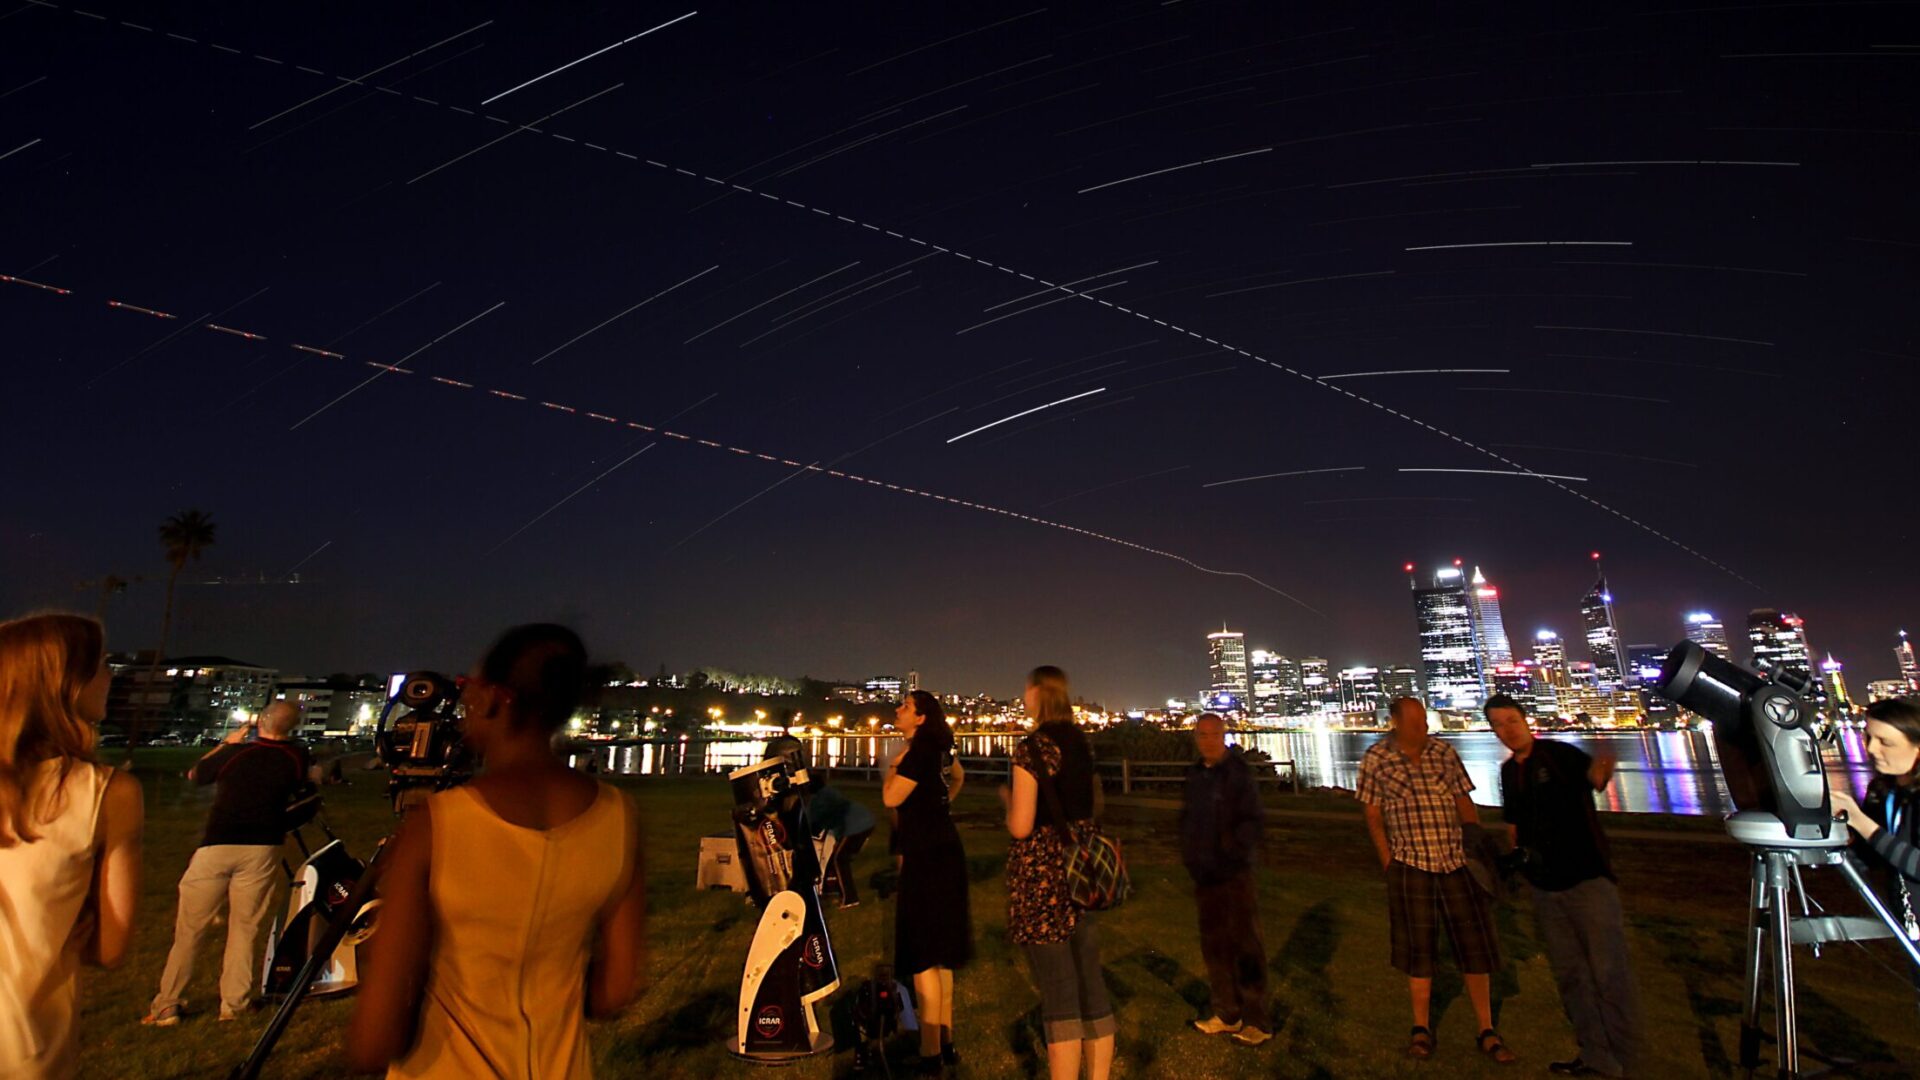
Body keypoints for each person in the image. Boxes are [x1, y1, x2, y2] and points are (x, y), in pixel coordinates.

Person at [346, 624, 646, 1078]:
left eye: (468, 687)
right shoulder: (620, 817)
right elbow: (616, 990)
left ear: (489, 699)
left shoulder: (437, 824)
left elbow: (377, 1035)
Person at [0, 613, 144, 1080]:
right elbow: (110, 947)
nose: (110, 674)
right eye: (100, 663)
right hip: (25, 1047)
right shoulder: (107, 793)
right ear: (64, 681)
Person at [1486, 694, 1641, 1078]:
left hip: (1588, 881)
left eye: (1511, 721)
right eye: (1498, 725)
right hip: (1545, 888)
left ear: (1525, 720)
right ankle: (1595, 1056)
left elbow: (1596, 778)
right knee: (1571, 976)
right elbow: (1514, 825)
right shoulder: (1508, 773)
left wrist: (1605, 760)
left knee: (1610, 974)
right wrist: (1518, 861)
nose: (1506, 730)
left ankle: (1630, 1062)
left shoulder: (1558, 754)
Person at [1356, 697, 1515, 1064]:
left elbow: (1463, 802)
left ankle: (1487, 1029)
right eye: (1413, 722)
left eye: (1423, 720)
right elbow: (1373, 814)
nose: (1421, 727)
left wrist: (1473, 843)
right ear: (1394, 721)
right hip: (1410, 865)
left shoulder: (1444, 752)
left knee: (1474, 947)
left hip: (1455, 862)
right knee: (1418, 951)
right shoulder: (1376, 759)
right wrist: (1388, 862)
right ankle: (1421, 1028)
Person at [145, 699, 312, 1026]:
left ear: (260, 721)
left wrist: (227, 743)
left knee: (190, 930)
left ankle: (168, 1004)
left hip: (217, 845)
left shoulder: (234, 754)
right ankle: (233, 1005)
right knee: (245, 929)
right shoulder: (296, 758)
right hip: (263, 848)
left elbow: (196, 775)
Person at [1002, 665, 1115, 1080]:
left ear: (1037, 693)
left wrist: (1008, 802)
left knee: (1059, 991)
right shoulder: (1080, 743)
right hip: (1082, 872)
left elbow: (1021, 825)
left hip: (1044, 877)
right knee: (1090, 980)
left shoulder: (1033, 747)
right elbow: (1091, 803)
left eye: (1026, 688)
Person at [882, 689, 974, 1075]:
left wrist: (893, 767)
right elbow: (959, 777)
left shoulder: (917, 753)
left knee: (922, 954)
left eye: (905, 707)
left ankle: (929, 1053)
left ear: (920, 718)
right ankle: (946, 1042)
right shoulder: (939, 749)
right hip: (945, 849)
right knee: (940, 953)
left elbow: (890, 798)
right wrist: (942, 802)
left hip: (925, 855)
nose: (898, 710)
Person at [1180, 712, 1270, 1046]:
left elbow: (1252, 820)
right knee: (1214, 946)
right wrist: (1191, 856)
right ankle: (1227, 1013)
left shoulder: (1237, 773)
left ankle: (1257, 1020)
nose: (1207, 741)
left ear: (1223, 736)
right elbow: (1189, 818)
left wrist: (1233, 852)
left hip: (1234, 874)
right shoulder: (1196, 774)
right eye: (1201, 735)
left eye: (1212, 735)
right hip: (1205, 874)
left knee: (1245, 945)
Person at [1829, 697, 1920, 979]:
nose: (1870, 749)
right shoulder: (1883, 791)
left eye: (1886, 742)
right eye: (1868, 736)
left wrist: (1860, 820)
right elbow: (1871, 857)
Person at [808, 773, 876, 909]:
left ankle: (850, 899)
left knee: (840, 859)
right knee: (840, 857)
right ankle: (841, 892)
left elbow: (814, 824)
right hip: (864, 821)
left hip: (857, 825)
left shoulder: (818, 800)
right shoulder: (829, 792)